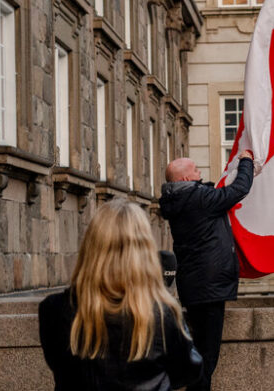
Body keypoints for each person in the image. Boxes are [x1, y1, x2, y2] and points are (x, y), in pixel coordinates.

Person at [38, 199, 203, 390]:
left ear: (91, 247)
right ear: (145, 250)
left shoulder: (54, 309)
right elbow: (187, 372)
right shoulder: (163, 313)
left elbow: (58, 366)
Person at [159, 151, 255, 391]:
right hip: (211, 287)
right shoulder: (199, 199)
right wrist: (246, 162)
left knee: (199, 353)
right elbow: (239, 190)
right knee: (207, 357)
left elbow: (211, 192)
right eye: (195, 170)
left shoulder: (178, 200)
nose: (199, 173)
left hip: (194, 285)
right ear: (184, 180)